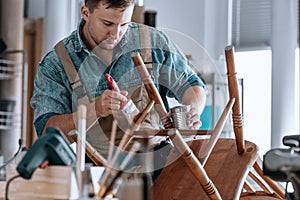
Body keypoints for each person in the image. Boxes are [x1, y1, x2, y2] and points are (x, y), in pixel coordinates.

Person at [30, 0, 206, 172]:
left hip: (156, 167)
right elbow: (47, 133)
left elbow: (192, 85)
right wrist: (94, 110)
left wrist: (192, 110)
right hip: (96, 174)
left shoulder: (152, 42)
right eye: (108, 24)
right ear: (85, 13)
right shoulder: (58, 62)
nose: (115, 34)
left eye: (124, 25)